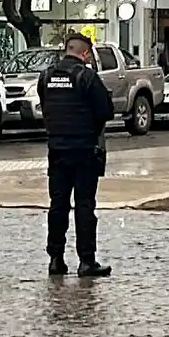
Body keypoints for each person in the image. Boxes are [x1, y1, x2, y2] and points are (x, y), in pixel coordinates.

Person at [38, 32, 114, 277]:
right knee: (84, 205)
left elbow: (45, 104)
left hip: (56, 149)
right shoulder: (87, 76)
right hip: (83, 150)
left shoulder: (47, 76)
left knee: (58, 205)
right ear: (84, 53)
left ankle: (56, 259)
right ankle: (86, 260)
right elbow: (105, 111)